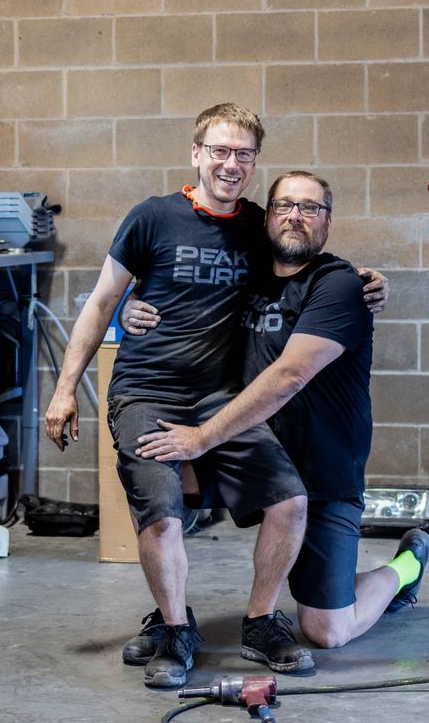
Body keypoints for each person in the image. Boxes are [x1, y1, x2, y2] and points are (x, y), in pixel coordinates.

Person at [43, 105, 385, 688]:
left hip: (221, 399)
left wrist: (368, 280)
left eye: (243, 154)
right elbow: (102, 301)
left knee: (289, 500)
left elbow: (300, 258)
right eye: (220, 151)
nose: (231, 164)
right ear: (196, 153)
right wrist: (65, 388)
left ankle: (260, 621)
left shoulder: (257, 224)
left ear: (254, 162)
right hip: (147, 391)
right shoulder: (152, 217)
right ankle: (175, 630)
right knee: (161, 511)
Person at [129, 170, 429, 652]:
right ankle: (170, 619)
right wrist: (130, 306)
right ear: (267, 217)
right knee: (150, 470)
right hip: (256, 453)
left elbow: (289, 376)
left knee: (327, 631)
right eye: (284, 205)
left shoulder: (340, 286)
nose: (295, 216)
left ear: (327, 222)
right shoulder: (244, 275)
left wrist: (201, 437)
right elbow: (176, 294)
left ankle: (406, 566)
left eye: (310, 207)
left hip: (322, 476)